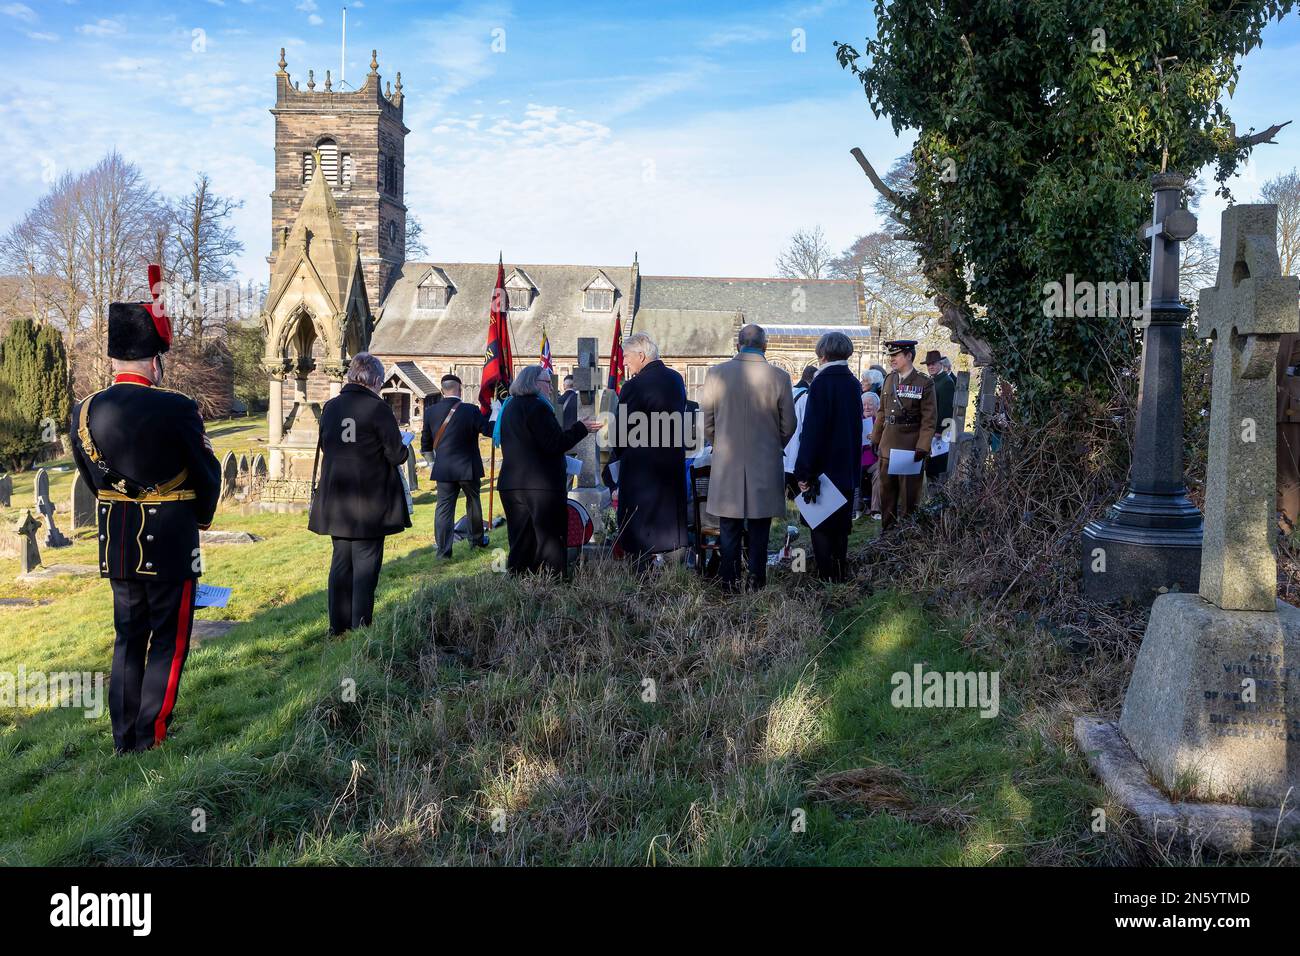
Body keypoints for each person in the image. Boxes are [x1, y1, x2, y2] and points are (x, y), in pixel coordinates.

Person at [70, 269, 222, 754]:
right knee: (169, 641)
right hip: (171, 539)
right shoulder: (177, 407)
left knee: (127, 640)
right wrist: (203, 515)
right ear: (153, 360)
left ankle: (122, 738)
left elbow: (93, 479)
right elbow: (203, 470)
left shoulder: (85, 410)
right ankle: (150, 734)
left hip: (117, 539)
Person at [308, 353, 411, 635]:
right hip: (369, 500)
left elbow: (329, 448)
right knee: (365, 567)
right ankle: (360, 626)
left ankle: (336, 627)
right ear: (376, 380)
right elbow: (395, 454)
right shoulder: (378, 409)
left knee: (341, 563)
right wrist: (406, 445)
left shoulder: (330, 407)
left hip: (337, 499)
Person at [701, 323, 797, 591]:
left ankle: (729, 583)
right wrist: (772, 445)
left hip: (727, 463)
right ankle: (757, 583)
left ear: (737, 345)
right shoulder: (779, 377)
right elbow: (789, 424)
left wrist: (718, 445)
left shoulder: (716, 374)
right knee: (760, 528)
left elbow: (707, 422)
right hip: (765, 461)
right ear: (765, 346)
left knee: (728, 527)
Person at [496, 365, 601, 576]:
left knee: (521, 539)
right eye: (547, 383)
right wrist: (581, 428)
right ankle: (552, 583)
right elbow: (554, 443)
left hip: (511, 485)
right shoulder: (537, 407)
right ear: (533, 383)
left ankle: (519, 581)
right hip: (539, 487)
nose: (552, 389)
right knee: (549, 540)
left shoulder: (509, 407)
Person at [610, 332, 689, 561]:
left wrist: (619, 454)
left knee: (639, 528)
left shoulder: (633, 386)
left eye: (626, 357)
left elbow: (620, 432)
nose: (623, 362)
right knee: (669, 525)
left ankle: (641, 579)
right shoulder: (675, 379)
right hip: (671, 462)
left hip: (641, 469)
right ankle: (674, 579)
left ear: (641, 355)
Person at [794, 332, 863, 582]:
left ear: (822, 354)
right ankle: (840, 573)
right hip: (846, 467)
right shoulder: (854, 384)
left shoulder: (821, 384)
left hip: (823, 469)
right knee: (841, 527)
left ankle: (826, 578)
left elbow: (812, 432)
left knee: (820, 525)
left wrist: (804, 472)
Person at [421, 373, 494, 558]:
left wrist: (432, 464)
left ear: (442, 389)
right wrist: (496, 414)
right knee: (473, 504)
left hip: (443, 468)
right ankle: (476, 541)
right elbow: (488, 430)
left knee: (444, 509)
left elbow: (425, 445)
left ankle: (443, 551)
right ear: (460, 389)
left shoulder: (430, 412)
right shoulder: (470, 410)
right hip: (467, 466)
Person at [871, 339, 937, 531]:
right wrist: (876, 437)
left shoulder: (924, 383)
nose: (892, 359)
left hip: (910, 449)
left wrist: (923, 446)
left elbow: (929, 419)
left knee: (909, 499)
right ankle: (888, 536)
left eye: (896, 355)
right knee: (887, 496)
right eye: (891, 355)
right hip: (887, 446)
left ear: (909, 355)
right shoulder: (889, 379)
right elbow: (882, 412)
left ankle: (907, 538)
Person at [1278, 332, 1300, 532]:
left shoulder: (1289, 318)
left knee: (1287, 470)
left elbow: (1279, 359)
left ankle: (1286, 529)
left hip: (1288, 403)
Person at [924, 349, 957, 482]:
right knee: (931, 465)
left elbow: (947, 409)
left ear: (940, 364)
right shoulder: (934, 380)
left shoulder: (946, 381)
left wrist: (939, 431)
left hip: (941, 432)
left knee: (939, 465)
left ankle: (939, 495)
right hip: (932, 429)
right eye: (928, 364)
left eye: (933, 364)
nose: (930, 367)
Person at [861, 391, 882, 519]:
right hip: (859, 459)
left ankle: (876, 509)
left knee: (880, 471)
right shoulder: (856, 421)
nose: (867, 407)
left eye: (870, 404)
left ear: (877, 406)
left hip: (875, 459)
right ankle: (857, 507)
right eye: (864, 405)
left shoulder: (881, 421)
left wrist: (875, 439)